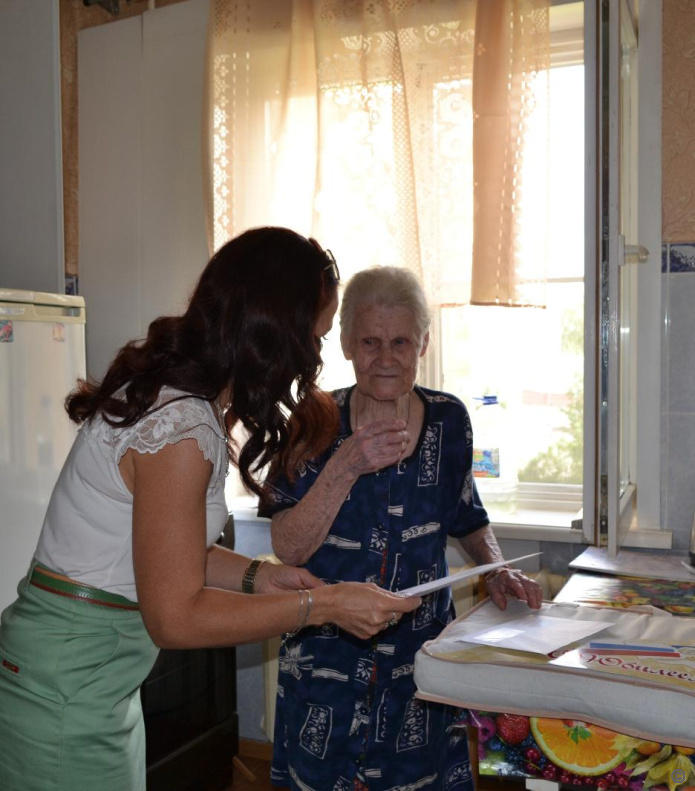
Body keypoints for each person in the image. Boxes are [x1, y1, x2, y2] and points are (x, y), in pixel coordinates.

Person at [0, 229, 420, 791]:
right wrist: (320, 606)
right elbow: (175, 617)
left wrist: (259, 577)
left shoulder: (183, 401)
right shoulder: (180, 426)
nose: (316, 358)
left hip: (89, 676)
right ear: (273, 335)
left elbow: (167, 553)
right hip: (66, 687)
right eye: (312, 339)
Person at [261, 265, 543, 791]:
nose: (385, 358)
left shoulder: (449, 420)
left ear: (423, 344)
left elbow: (468, 515)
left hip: (420, 661)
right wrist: (346, 464)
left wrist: (496, 569)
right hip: (327, 659)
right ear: (346, 344)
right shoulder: (311, 420)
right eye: (370, 342)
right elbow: (288, 547)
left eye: (401, 342)